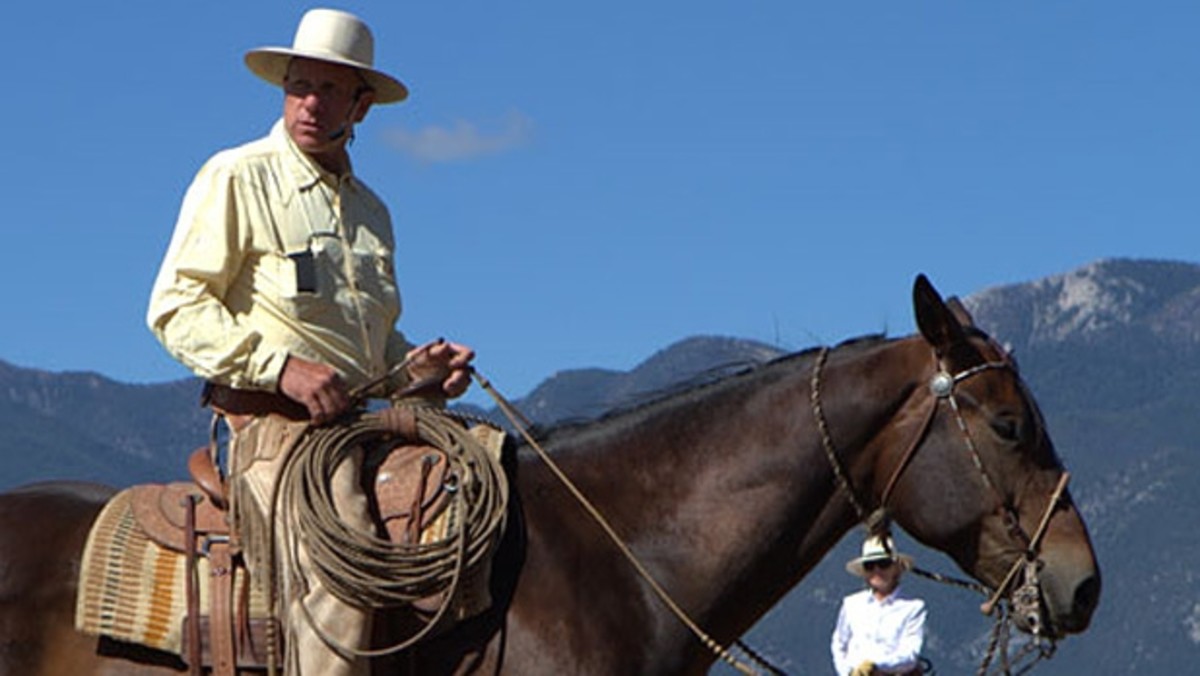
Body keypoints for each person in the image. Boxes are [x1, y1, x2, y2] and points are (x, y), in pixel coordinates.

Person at [147, 8, 473, 675]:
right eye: (300, 86)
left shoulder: (371, 211)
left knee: (485, 481)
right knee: (343, 574)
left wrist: (421, 375)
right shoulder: (238, 175)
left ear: (362, 105)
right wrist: (281, 368)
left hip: (357, 425)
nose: (310, 104)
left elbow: (372, 351)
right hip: (271, 429)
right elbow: (175, 309)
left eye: (329, 91)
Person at [830, 534, 927, 676]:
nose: (877, 571)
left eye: (883, 564)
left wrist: (875, 665)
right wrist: (848, 673)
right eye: (870, 566)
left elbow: (910, 655)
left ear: (896, 568)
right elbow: (838, 643)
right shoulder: (851, 604)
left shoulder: (912, 608)